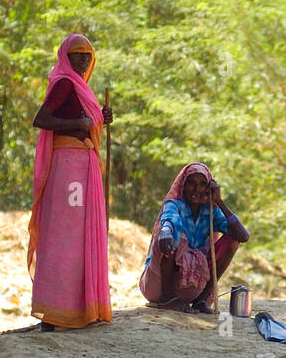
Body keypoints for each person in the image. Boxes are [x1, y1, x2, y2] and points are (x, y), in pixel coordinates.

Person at [27, 33, 113, 331]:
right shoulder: (63, 83)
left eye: (88, 55)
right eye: (77, 54)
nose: (83, 59)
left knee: (79, 236)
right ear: (65, 56)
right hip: (67, 169)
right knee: (65, 235)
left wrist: (100, 117)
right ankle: (54, 313)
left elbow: (85, 120)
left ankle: (80, 310)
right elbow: (42, 118)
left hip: (83, 165)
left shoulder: (81, 89)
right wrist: (79, 123)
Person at [138, 162, 249, 313]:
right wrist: (165, 231)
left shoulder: (210, 211)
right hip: (158, 286)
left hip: (191, 287)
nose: (197, 189)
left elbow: (243, 236)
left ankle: (201, 299)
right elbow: (169, 219)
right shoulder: (175, 205)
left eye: (203, 184)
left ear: (208, 188)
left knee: (233, 241)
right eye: (191, 183)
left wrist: (219, 201)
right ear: (183, 186)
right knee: (171, 233)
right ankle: (168, 300)